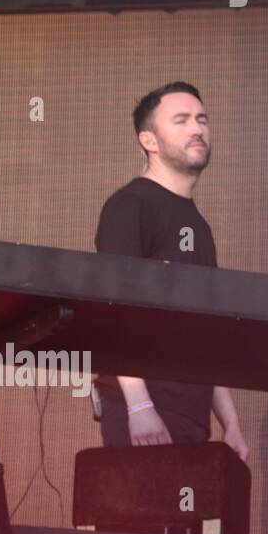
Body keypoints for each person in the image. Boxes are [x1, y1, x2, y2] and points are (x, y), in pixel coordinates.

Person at [94, 82, 248, 463]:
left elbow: (204, 330)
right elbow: (115, 312)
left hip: (191, 416)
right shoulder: (130, 206)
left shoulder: (197, 223)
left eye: (202, 119)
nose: (197, 129)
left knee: (183, 521)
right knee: (138, 523)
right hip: (146, 411)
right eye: (180, 120)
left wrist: (231, 424)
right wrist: (138, 406)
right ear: (149, 139)